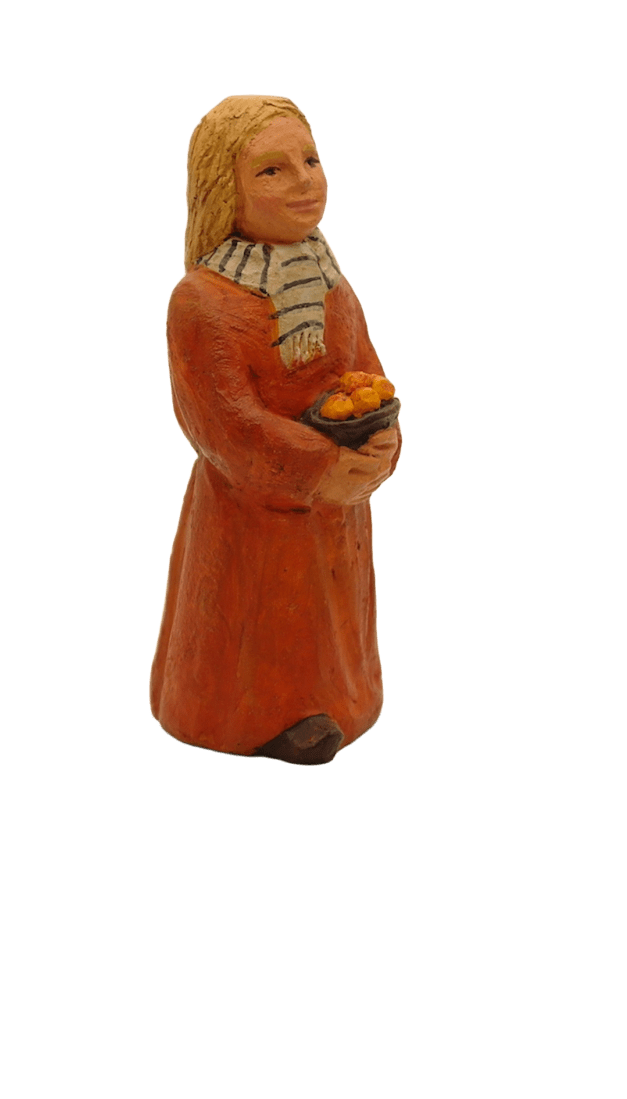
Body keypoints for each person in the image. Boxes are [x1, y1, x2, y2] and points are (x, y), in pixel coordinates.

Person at [149, 95, 400, 765]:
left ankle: (343, 698)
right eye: (271, 170)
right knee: (261, 612)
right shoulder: (203, 301)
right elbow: (224, 424)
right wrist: (321, 467)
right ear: (222, 190)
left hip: (336, 507)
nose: (304, 181)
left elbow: (367, 374)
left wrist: (381, 444)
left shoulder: (331, 283)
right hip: (254, 512)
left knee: (332, 610)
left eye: (310, 160)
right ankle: (258, 716)